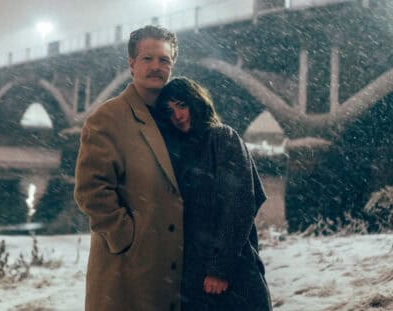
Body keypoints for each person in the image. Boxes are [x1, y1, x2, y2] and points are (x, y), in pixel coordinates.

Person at [74, 25, 183, 311]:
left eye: (164, 60)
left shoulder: (178, 119)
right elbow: (91, 191)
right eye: (147, 58)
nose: (156, 67)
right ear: (131, 64)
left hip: (173, 269)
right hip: (127, 268)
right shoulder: (108, 118)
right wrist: (126, 237)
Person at [156, 77, 272, 311]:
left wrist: (220, 268)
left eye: (182, 105)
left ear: (195, 103)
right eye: (170, 111)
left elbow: (239, 204)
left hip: (231, 275)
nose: (177, 116)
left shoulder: (222, 138)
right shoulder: (180, 153)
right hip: (194, 279)